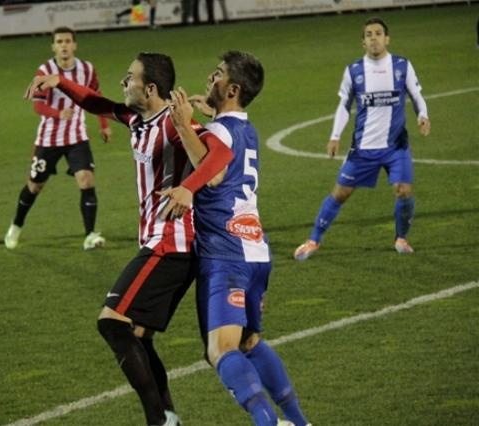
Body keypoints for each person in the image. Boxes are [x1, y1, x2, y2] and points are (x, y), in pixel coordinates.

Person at [26, 53, 201, 426]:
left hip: (171, 244)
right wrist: (60, 83)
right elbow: (97, 103)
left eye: (129, 78)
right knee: (139, 335)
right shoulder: (137, 117)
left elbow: (216, 157)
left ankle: (159, 420)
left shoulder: (176, 124)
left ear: (150, 88)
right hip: (159, 243)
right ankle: (169, 418)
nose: (123, 84)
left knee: (112, 322)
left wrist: (192, 184)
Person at [161, 51, 311, 426]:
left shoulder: (218, 134)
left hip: (226, 256)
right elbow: (221, 149)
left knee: (220, 349)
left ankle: (268, 423)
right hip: (256, 252)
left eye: (216, 75)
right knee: (248, 343)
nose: (208, 80)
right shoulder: (246, 128)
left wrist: (183, 125)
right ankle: (298, 420)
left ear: (232, 88)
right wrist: (204, 119)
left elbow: (211, 172)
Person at [293, 17, 431, 261]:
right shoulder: (354, 70)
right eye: (369, 34)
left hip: (395, 145)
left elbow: (416, 94)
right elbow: (344, 106)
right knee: (340, 193)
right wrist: (335, 136)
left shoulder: (402, 66)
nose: (374, 38)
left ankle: (401, 238)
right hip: (363, 148)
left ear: (387, 39)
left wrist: (423, 115)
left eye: (378, 33)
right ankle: (314, 240)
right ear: (363, 42)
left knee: (403, 190)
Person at [4, 27, 111, 251]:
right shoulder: (45, 70)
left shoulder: (87, 69)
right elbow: (38, 105)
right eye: (59, 41)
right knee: (34, 186)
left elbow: (96, 98)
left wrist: (104, 124)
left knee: (86, 179)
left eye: (67, 41)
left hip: (77, 136)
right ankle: (16, 225)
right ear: (53, 46)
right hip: (48, 139)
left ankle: (90, 235)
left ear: (74, 45)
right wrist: (58, 113)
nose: (63, 45)